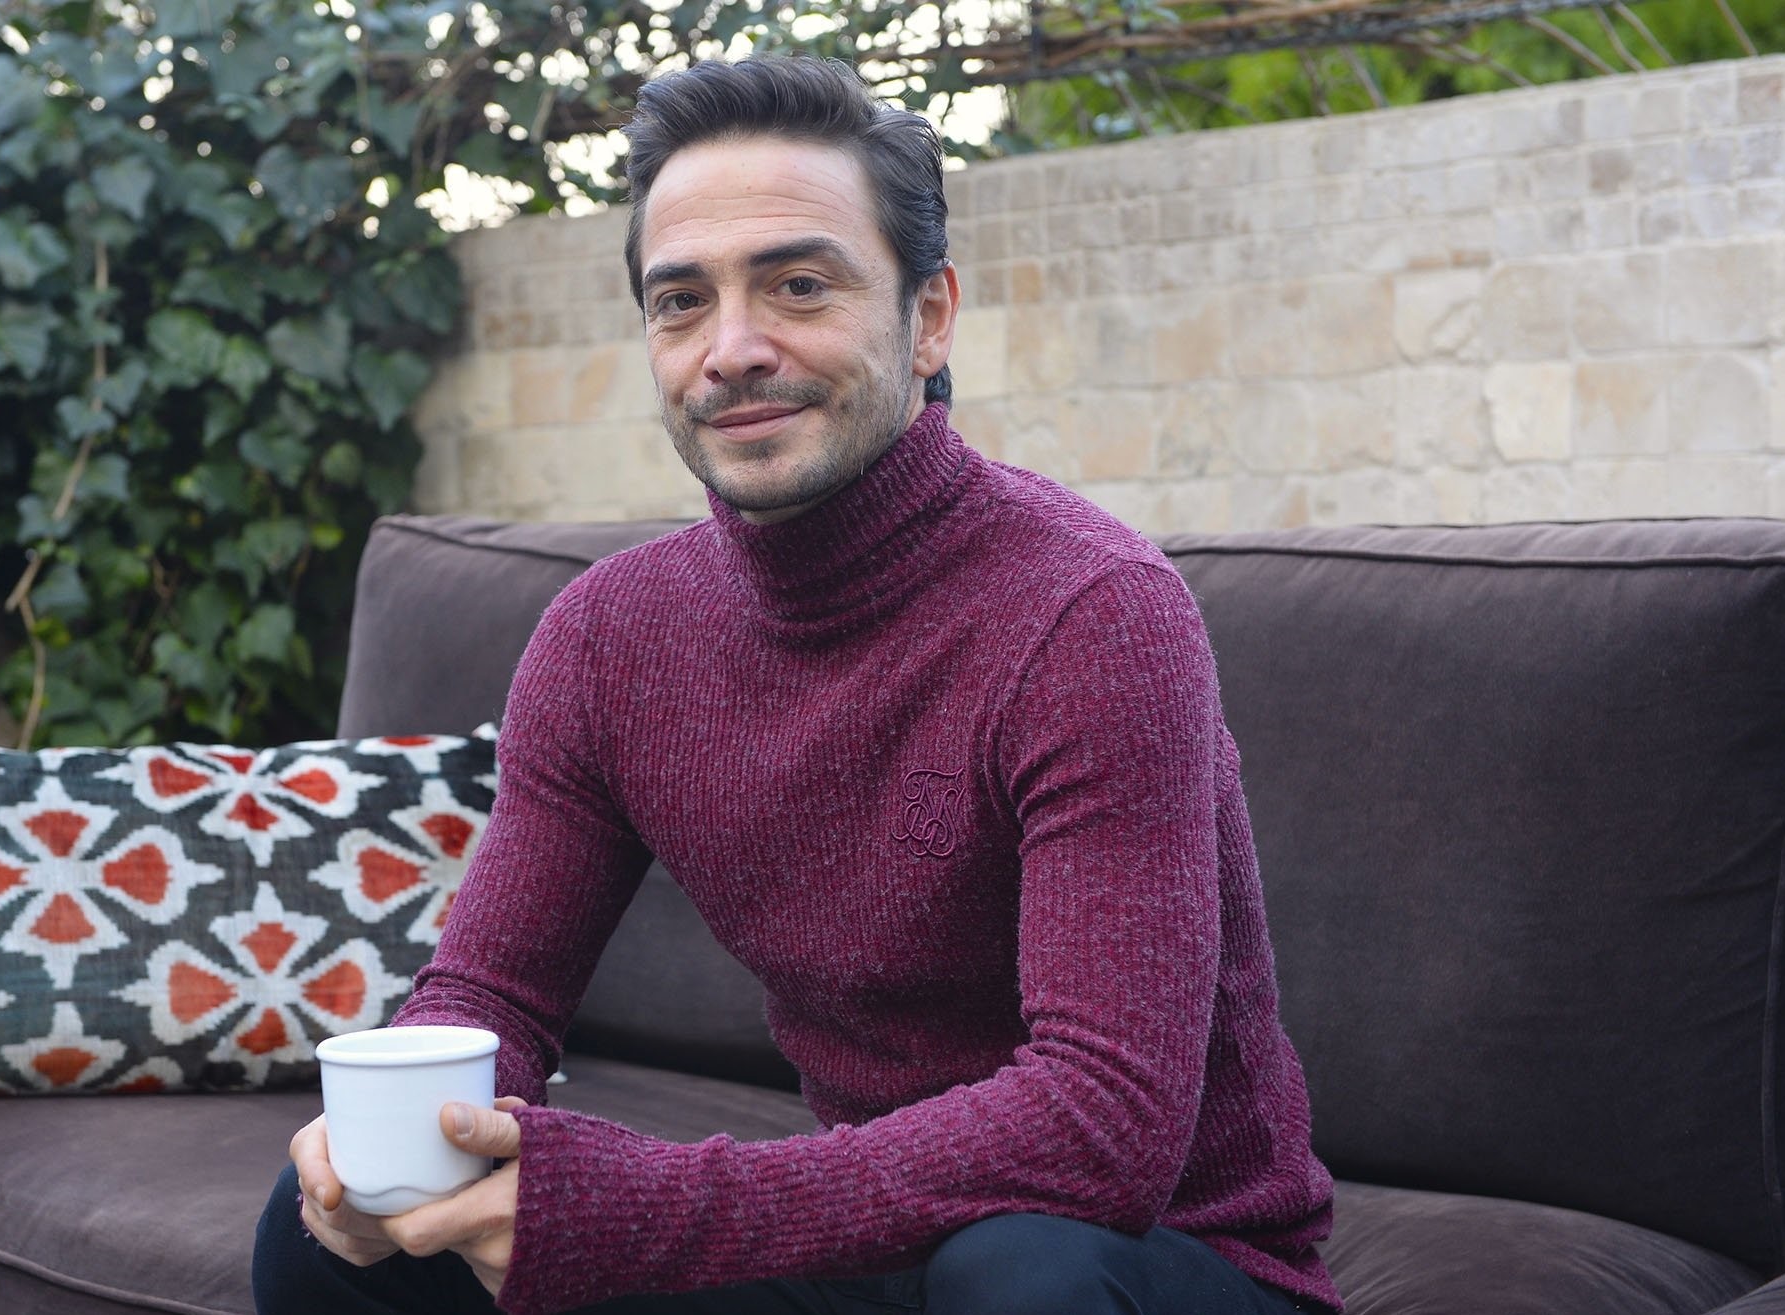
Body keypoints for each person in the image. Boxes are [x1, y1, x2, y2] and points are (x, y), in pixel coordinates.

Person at [253, 54, 1340, 1315]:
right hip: (871, 1238)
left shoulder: (1090, 613)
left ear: (927, 318)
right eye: (681, 301)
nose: (731, 350)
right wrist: (408, 1139)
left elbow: (1100, 1124)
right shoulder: (607, 638)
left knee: (1018, 1274)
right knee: (333, 1233)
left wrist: (630, 1207)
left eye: (798, 286)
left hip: (1155, 1255)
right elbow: (490, 992)